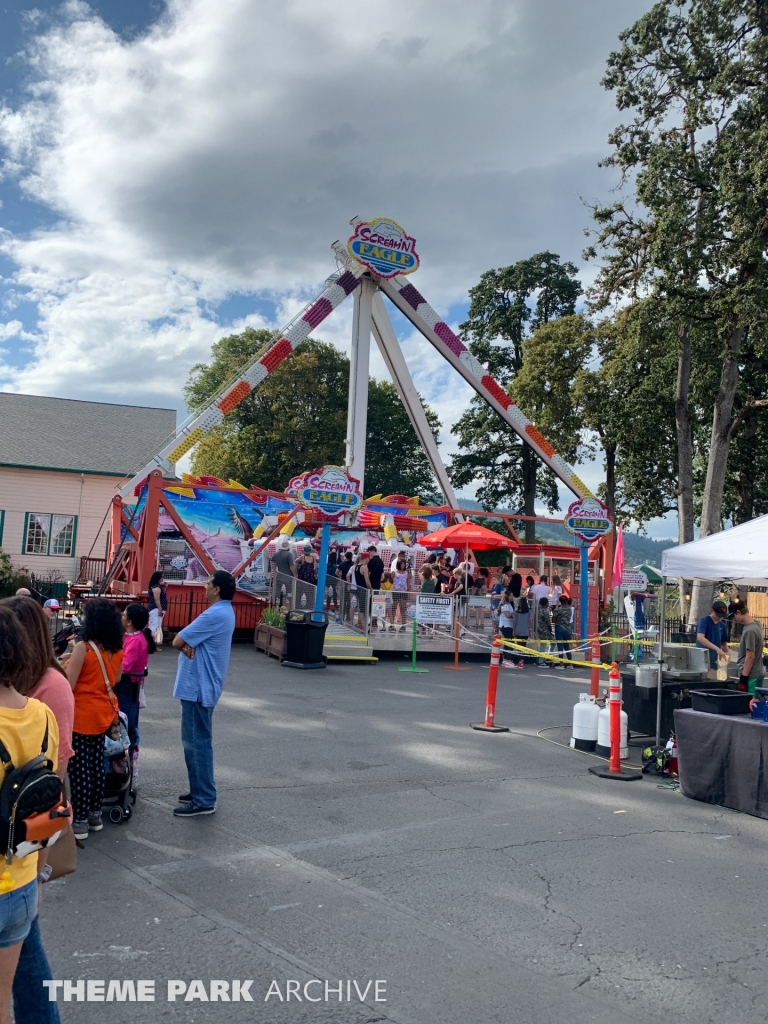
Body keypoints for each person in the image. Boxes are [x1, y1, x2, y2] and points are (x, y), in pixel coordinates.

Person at [4, 598, 71, 1024]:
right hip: (21, 875)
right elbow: (50, 795)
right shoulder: (41, 713)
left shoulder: (51, 688)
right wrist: (39, 871)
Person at [171, 571, 236, 817]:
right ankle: (200, 788)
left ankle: (204, 798)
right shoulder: (224, 612)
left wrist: (187, 644)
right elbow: (186, 642)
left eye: (208, 583)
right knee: (198, 742)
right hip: (202, 686)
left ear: (217, 589)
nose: (204, 587)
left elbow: (177, 641)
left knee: (195, 743)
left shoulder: (214, 614)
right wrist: (190, 644)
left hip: (198, 687)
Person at [66, 598, 123, 839]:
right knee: (97, 766)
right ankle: (94, 814)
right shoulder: (117, 648)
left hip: (81, 715)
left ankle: (79, 821)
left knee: (79, 769)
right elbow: (117, 679)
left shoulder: (84, 648)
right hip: (103, 715)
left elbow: (68, 683)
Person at [116, 604, 156, 783]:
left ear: (130, 622)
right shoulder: (131, 636)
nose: (121, 617)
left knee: (127, 726)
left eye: (124, 615)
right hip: (127, 686)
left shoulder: (137, 640)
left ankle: (128, 768)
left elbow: (125, 666)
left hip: (128, 687)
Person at [732, 604, 764, 692]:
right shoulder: (757, 624)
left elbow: (750, 656)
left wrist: (744, 677)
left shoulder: (750, 631)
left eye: (733, 616)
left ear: (738, 612)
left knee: (751, 703)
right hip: (757, 673)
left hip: (751, 676)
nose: (733, 619)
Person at [695, 599, 730, 679]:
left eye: (722, 615)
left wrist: (727, 653)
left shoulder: (722, 625)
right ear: (712, 611)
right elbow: (700, 637)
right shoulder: (704, 621)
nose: (720, 617)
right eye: (718, 615)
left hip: (716, 663)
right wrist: (717, 649)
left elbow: (724, 644)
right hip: (703, 661)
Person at [552, 594, 573, 668]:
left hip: (559, 628)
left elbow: (553, 620)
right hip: (567, 629)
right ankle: (570, 664)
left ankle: (561, 664)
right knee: (567, 646)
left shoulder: (557, 610)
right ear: (566, 601)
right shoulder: (569, 609)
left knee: (560, 646)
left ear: (560, 601)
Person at [147, 571, 167, 648]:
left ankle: (153, 644)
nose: (163, 578)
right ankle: (151, 644)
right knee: (155, 626)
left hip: (155, 608)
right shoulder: (157, 588)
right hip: (156, 609)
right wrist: (160, 609)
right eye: (162, 577)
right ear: (158, 578)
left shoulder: (155, 586)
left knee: (155, 625)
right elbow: (157, 599)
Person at [392, 559, 409, 630]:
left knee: (403, 608)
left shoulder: (406, 572)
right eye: (401, 564)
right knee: (393, 608)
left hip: (403, 592)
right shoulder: (394, 572)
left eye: (404, 564)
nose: (403, 565)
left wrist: (409, 591)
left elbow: (408, 582)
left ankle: (404, 625)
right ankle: (392, 624)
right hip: (395, 591)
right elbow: (390, 581)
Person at [536, 596, 552, 666]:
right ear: (546, 603)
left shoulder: (539, 610)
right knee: (544, 645)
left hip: (540, 629)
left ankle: (545, 659)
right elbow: (548, 623)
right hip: (545, 630)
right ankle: (542, 661)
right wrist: (551, 630)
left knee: (544, 644)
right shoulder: (545, 612)